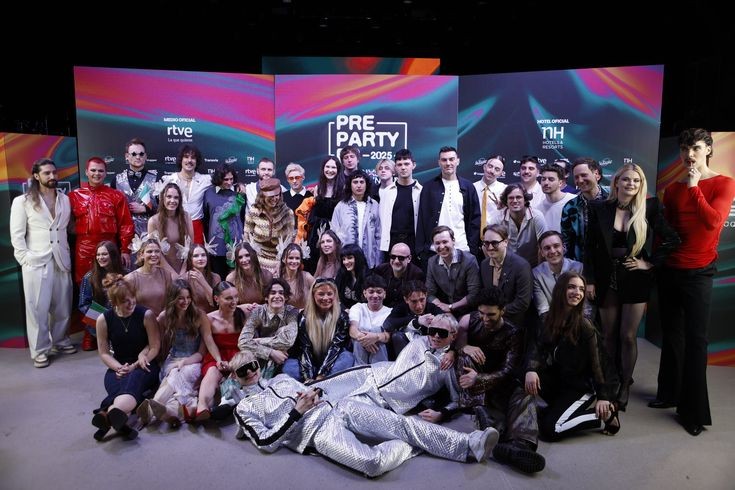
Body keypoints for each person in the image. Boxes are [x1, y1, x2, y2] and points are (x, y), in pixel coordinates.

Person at [233, 349, 499, 477]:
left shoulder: (281, 379)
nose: (251, 372)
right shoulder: (244, 408)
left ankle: (469, 444)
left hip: (340, 407)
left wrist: (318, 392)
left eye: (252, 365)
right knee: (372, 464)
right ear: (235, 377)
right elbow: (265, 442)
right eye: (243, 371)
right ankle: (418, 443)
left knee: (401, 424)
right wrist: (295, 412)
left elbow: (313, 389)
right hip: (317, 434)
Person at [651, 128, 735, 436]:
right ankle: (669, 394)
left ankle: (693, 411)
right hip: (671, 270)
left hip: (699, 272)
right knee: (672, 335)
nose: (689, 154)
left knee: (696, 341)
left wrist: (695, 186)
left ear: (708, 150)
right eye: (685, 149)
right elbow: (668, 232)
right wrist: (654, 262)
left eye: (696, 148)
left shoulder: (724, 183)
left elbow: (713, 222)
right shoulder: (672, 189)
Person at [585, 163, 680, 410]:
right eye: (626, 179)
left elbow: (672, 239)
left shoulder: (649, 207)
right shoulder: (599, 208)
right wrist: (590, 280)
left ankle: (625, 385)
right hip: (606, 278)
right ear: (616, 182)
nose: (631, 184)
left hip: (635, 277)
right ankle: (609, 383)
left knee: (627, 336)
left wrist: (649, 263)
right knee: (608, 336)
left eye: (636, 181)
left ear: (641, 185)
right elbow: (590, 247)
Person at [455, 287, 545, 474]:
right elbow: (457, 343)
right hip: (475, 392)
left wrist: (479, 378)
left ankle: (519, 446)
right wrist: (464, 347)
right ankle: (489, 426)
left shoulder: (513, 332)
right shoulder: (469, 320)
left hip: (498, 382)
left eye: (491, 314)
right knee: (465, 358)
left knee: (525, 393)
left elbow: (508, 369)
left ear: (502, 311)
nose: (485, 319)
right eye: (481, 313)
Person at [524, 272, 619, 440]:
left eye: (581, 289)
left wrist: (604, 397)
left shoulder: (585, 325)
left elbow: (599, 365)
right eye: (572, 287)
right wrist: (531, 370)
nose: (578, 292)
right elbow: (535, 347)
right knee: (521, 375)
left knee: (550, 429)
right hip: (560, 381)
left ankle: (604, 415)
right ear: (561, 290)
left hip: (581, 386)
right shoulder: (547, 319)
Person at [10, 158, 76, 368]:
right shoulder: (22, 201)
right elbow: (17, 235)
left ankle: (60, 341)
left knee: (63, 306)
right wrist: (25, 259)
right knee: (37, 309)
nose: (52, 176)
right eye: (47, 173)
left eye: (54, 172)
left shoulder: (64, 199)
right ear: (36, 176)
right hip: (36, 262)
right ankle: (40, 350)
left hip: (61, 259)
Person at [137, 279, 219, 426]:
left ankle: (151, 409)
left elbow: (203, 349)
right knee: (174, 378)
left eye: (188, 297)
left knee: (176, 374)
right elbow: (154, 342)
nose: (185, 302)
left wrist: (217, 359)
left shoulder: (199, 315)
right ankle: (170, 412)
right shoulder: (164, 317)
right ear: (172, 299)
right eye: (180, 298)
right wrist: (142, 354)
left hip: (194, 360)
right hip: (173, 358)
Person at [91, 273, 160, 441]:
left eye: (132, 298)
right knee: (123, 386)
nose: (131, 303)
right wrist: (118, 367)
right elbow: (104, 352)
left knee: (132, 382)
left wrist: (135, 364)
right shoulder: (103, 320)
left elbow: (155, 347)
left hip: (144, 365)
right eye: (124, 301)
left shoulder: (146, 315)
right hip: (118, 366)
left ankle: (107, 413)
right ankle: (117, 419)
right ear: (114, 303)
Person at [195, 281, 255, 421]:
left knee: (242, 371)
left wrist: (234, 363)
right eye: (228, 298)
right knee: (212, 372)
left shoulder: (244, 313)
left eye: (236, 297)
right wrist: (219, 360)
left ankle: (229, 405)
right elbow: (209, 341)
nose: (234, 302)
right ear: (217, 299)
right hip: (217, 354)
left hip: (239, 354)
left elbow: (247, 342)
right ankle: (201, 407)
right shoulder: (209, 318)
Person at [69, 156, 134, 280]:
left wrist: (125, 250)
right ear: (86, 172)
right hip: (83, 249)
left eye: (100, 171)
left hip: (109, 247)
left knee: (110, 283)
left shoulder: (116, 196)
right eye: (93, 170)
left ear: (105, 173)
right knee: (84, 283)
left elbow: (125, 224)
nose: (97, 174)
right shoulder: (74, 196)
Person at [416, 146, 481, 266]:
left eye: (451, 159)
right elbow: (422, 219)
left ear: (458, 161)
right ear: (439, 162)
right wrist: (421, 249)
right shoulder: (429, 187)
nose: (448, 163)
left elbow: (475, 220)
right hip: (434, 251)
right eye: (444, 160)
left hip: (462, 248)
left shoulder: (468, 187)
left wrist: (472, 247)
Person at [283, 278, 354, 382]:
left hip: (331, 364)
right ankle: (314, 384)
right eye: (321, 294)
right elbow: (304, 349)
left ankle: (323, 383)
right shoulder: (303, 317)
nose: (326, 298)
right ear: (313, 295)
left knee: (347, 357)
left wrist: (321, 375)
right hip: (310, 363)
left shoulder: (342, 317)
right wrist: (308, 377)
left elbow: (335, 348)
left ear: (335, 295)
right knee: (288, 367)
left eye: (329, 294)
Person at [238, 278, 299, 377]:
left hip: (286, 356)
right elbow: (242, 342)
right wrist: (271, 352)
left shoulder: (292, 312)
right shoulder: (257, 312)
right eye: (273, 293)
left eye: (281, 293)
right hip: (260, 355)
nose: (277, 296)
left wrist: (258, 341)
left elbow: (288, 341)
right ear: (266, 297)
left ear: (286, 297)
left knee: (291, 371)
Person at [296, 156, 345, 272]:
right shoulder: (318, 188)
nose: (330, 170)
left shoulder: (343, 188)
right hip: (317, 232)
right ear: (323, 169)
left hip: (335, 230)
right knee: (315, 262)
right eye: (327, 167)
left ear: (338, 170)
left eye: (333, 167)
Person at [478, 224, 532, 329]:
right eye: (486, 243)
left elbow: (522, 303)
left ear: (506, 242)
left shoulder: (521, 266)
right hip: (488, 319)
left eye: (494, 243)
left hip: (513, 322)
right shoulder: (484, 265)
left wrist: (497, 313)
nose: (490, 247)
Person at [79, 241, 127, 351]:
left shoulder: (126, 273)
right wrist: (105, 318)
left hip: (124, 315)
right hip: (100, 319)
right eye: (98, 255)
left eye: (104, 254)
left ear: (113, 255)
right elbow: (83, 305)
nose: (100, 258)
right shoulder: (89, 278)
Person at [160, 144, 212, 244]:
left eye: (193, 158)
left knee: (197, 254)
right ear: (181, 159)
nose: (189, 160)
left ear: (197, 161)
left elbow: (224, 182)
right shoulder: (169, 180)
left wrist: (239, 185)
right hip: (174, 225)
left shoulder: (205, 180)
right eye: (186, 157)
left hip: (196, 227)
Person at [202, 163, 246, 278]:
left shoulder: (238, 192)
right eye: (226, 179)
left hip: (236, 245)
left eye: (231, 179)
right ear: (218, 178)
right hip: (216, 246)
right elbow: (206, 218)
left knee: (237, 279)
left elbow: (243, 217)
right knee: (218, 278)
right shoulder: (209, 193)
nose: (229, 182)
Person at [426, 225, 481, 317]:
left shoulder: (469, 260)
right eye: (437, 243)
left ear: (453, 241)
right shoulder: (432, 262)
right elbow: (429, 293)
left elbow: (474, 294)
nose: (441, 246)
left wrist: (451, 307)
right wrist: (442, 306)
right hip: (444, 310)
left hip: (468, 310)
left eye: (445, 242)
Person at [243, 177, 295, 275]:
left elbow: (290, 239)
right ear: (262, 196)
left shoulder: (287, 213)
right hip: (258, 258)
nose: (275, 199)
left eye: (277, 195)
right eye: (271, 196)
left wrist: (281, 262)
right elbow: (247, 236)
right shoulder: (254, 212)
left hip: (280, 259)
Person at [330, 170, 382, 268]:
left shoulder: (374, 205)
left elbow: (379, 235)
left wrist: (378, 260)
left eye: (362, 182)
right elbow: (334, 233)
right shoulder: (341, 206)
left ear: (367, 185)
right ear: (350, 185)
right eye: (355, 182)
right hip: (346, 260)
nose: (359, 185)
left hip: (369, 258)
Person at [560, 157, 608, 262]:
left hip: (609, 265)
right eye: (576, 177)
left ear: (597, 175)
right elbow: (566, 242)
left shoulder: (612, 202)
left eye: (584, 175)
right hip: (580, 265)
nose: (580, 180)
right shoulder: (570, 207)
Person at [111, 137, 160, 238]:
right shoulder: (116, 180)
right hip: (123, 235)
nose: (138, 157)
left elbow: (165, 208)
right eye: (134, 154)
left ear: (145, 156)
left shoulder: (156, 179)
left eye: (141, 154)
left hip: (149, 235)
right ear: (127, 156)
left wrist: (145, 208)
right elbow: (111, 209)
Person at [378, 148, 422, 257]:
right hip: (391, 242)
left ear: (413, 165)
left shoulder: (421, 191)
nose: (403, 167)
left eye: (406, 164)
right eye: (399, 164)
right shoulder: (387, 192)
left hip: (414, 243)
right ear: (395, 168)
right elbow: (382, 220)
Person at [532, 230, 585, 321]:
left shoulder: (579, 268)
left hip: (578, 320)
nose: (552, 251)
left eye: (556, 246)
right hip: (552, 322)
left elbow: (586, 306)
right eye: (547, 248)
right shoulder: (536, 274)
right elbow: (543, 310)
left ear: (563, 247)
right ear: (542, 252)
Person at [382, 280, 443, 358]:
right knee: (396, 336)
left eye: (422, 300)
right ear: (406, 299)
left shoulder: (432, 308)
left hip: (430, 351)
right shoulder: (401, 308)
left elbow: (449, 326)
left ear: (426, 295)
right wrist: (417, 320)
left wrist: (452, 351)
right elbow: (387, 324)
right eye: (414, 301)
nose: (419, 306)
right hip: (406, 351)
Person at [492, 183, 548, 267]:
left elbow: (543, 246)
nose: (515, 201)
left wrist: (539, 270)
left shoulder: (537, 216)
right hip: (507, 266)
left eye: (518, 197)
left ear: (525, 200)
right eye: (511, 198)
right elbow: (491, 245)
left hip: (533, 265)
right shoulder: (498, 218)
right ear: (506, 201)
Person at [147, 182, 194, 277]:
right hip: (162, 270)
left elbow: (190, 247)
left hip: (184, 269)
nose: (172, 200)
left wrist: (183, 271)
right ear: (162, 198)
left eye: (176, 197)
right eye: (169, 197)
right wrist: (172, 274)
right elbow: (154, 251)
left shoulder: (186, 217)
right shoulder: (153, 221)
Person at [349, 275, 392, 365]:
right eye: (371, 292)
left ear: (384, 294)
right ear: (365, 293)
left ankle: (379, 370)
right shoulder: (358, 307)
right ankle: (360, 369)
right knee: (359, 334)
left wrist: (375, 337)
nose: (375, 295)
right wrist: (366, 339)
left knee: (376, 331)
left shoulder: (390, 312)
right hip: (359, 348)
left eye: (379, 292)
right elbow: (352, 329)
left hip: (382, 351)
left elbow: (388, 336)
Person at [124, 238, 171, 316]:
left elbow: (170, 301)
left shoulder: (166, 275)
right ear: (141, 254)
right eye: (149, 251)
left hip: (162, 320)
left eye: (157, 251)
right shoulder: (130, 278)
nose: (154, 254)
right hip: (140, 320)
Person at [371, 242, 425, 308]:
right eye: (393, 257)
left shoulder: (417, 274)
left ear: (409, 259)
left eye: (401, 258)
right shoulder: (380, 270)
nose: (396, 261)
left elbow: (416, 300)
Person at [473, 154, 507, 237]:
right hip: (473, 235)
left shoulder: (505, 190)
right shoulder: (472, 188)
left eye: (497, 169)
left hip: (496, 236)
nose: (492, 171)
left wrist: (502, 209)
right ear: (484, 167)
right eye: (490, 166)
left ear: (501, 173)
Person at [534, 163, 575, 232]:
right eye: (543, 179)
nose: (546, 183)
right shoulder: (538, 209)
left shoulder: (574, 201)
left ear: (560, 183)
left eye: (551, 179)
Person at [182, 243, 222, 313]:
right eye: (196, 256)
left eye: (203, 255)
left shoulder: (215, 277)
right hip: (193, 317)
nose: (200, 259)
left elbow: (218, 303)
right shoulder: (184, 279)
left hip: (212, 316)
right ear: (190, 259)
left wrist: (203, 282)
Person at [278, 243, 315, 310]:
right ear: (283, 259)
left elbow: (319, 294)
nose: (294, 261)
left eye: (297, 258)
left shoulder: (307, 277)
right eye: (291, 258)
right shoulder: (279, 278)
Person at [334, 243, 368, 309]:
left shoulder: (368, 277)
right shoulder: (341, 273)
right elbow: (335, 295)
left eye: (349, 258)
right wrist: (344, 309)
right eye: (343, 259)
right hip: (343, 310)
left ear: (358, 258)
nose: (346, 262)